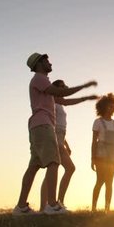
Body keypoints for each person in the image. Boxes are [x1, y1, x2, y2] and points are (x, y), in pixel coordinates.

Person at [13, 53, 97, 216]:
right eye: (46, 60)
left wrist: (85, 97)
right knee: (53, 162)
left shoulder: (42, 82)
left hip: (38, 126)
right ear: (38, 64)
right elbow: (60, 93)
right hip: (43, 125)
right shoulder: (40, 78)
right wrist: (84, 86)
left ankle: (21, 207)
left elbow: (63, 100)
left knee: (34, 166)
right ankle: (51, 205)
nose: (49, 62)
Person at [39, 79, 99, 212]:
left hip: (60, 138)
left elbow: (61, 126)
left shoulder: (60, 103)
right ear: (56, 88)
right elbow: (52, 124)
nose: (65, 88)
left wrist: (66, 144)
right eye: (62, 87)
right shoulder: (52, 102)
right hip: (54, 138)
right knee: (68, 168)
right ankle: (50, 205)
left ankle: (52, 204)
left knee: (56, 170)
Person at [91, 93, 114, 213]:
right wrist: (92, 158)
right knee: (100, 181)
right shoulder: (98, 122)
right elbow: (94, 141)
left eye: (112, 106)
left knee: (110, 183)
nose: (110, 109)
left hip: (112, 157)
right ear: (103, 107)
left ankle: (107, 209)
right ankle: (93, 208)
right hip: (100, 155)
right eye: (108, 106)